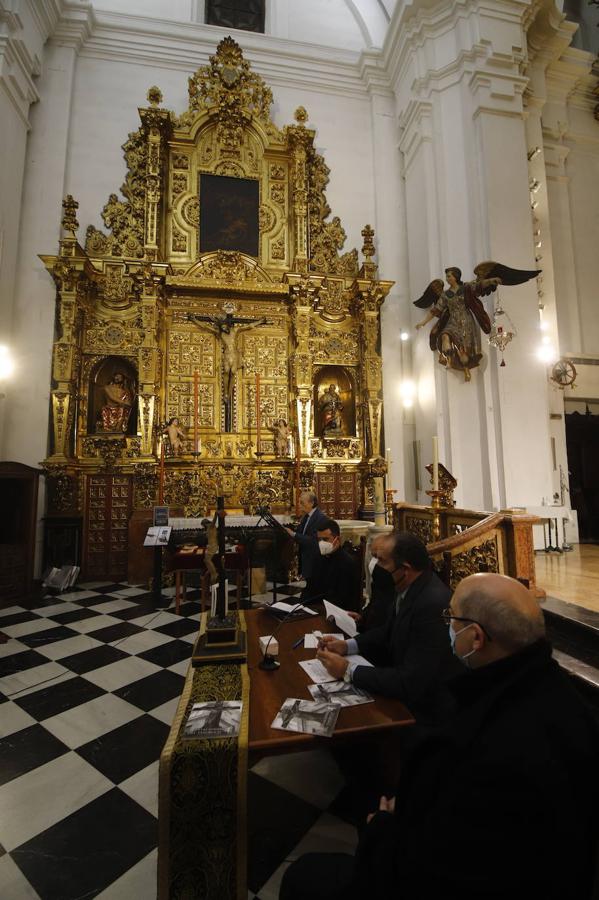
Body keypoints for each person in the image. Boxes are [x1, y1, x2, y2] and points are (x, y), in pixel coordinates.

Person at [281, 573, 599, 900]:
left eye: (451, 618)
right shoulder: (567, 702)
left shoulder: (476, 744)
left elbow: (431, 865)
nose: (447, 625)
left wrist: (383, 825)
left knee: (304, 875)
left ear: (476, 638)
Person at [317, 531, 459, 720]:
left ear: (405, 569)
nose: (375, 565)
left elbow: (412, 681)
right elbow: (387, 631)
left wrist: (348, 670)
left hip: (422, 712)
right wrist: (348, 645)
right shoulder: (405, 587)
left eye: (381, 560)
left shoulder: (431, 604)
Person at [306, 518, 360, 611]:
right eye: (319, 539)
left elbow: (345, 598)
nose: (321, 543)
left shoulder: (347, 562)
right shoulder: (317, 558)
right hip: (317, 609)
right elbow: (311, 587)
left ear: (337, 539)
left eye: (325, 539)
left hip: (337, 612)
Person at [285, 491, 329, 599]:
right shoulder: (306, 517)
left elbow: (315, 541)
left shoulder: (320, 518)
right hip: (307, 560)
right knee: (309, 589)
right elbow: (301, 534)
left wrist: (294, 534)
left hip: (315, 561)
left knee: (313, 592)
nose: (299, 505)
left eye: (302, 503)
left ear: (311, 503)